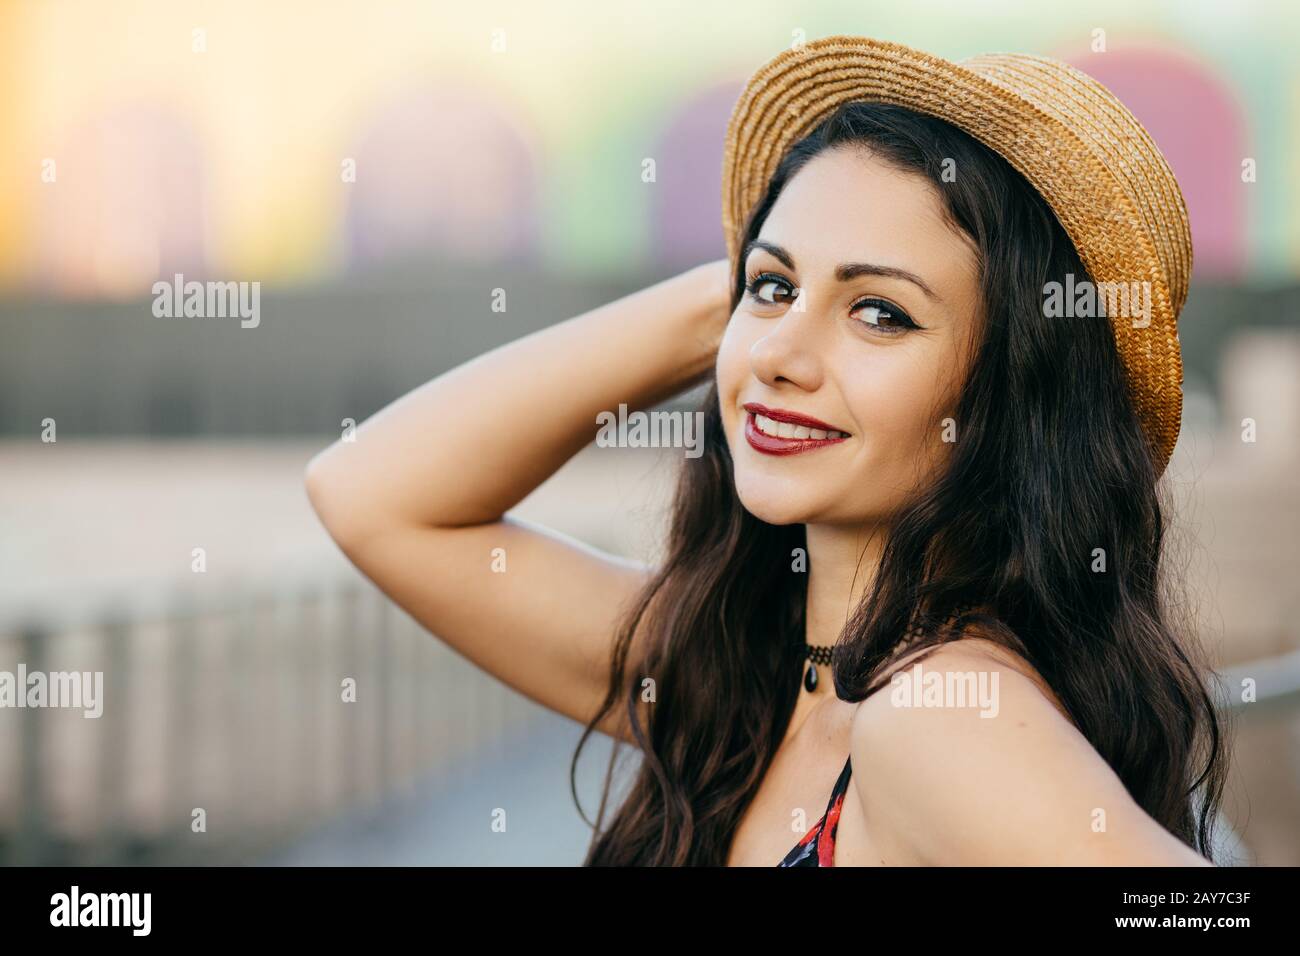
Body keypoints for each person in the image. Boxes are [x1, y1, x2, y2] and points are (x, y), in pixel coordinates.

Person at [305, 36, 1226, 867]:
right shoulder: (736, 670)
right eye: (773, 286)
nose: (782, 355)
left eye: (881, 313)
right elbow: (370, 494)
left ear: (1015, 394)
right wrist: (738, 302)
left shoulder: (943, 719)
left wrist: (775, 287)